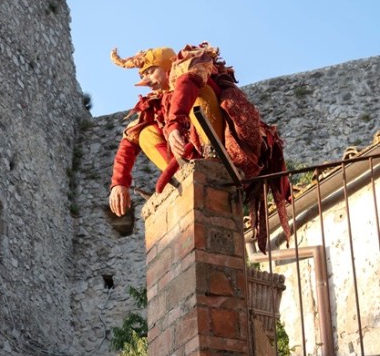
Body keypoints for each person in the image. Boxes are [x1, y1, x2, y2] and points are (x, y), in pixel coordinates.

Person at [108, 42, 291, 253]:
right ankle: (181, 173)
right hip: (188, 156)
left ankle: (211, 153)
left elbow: (187, 84)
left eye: (150, 71)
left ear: (166, 64)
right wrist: (119, 183)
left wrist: (175, 123)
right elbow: (127, 142)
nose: (146, 80)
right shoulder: (156, 102)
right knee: (142, 132)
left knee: (198, 92)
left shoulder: (191, 68)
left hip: (222, 145)